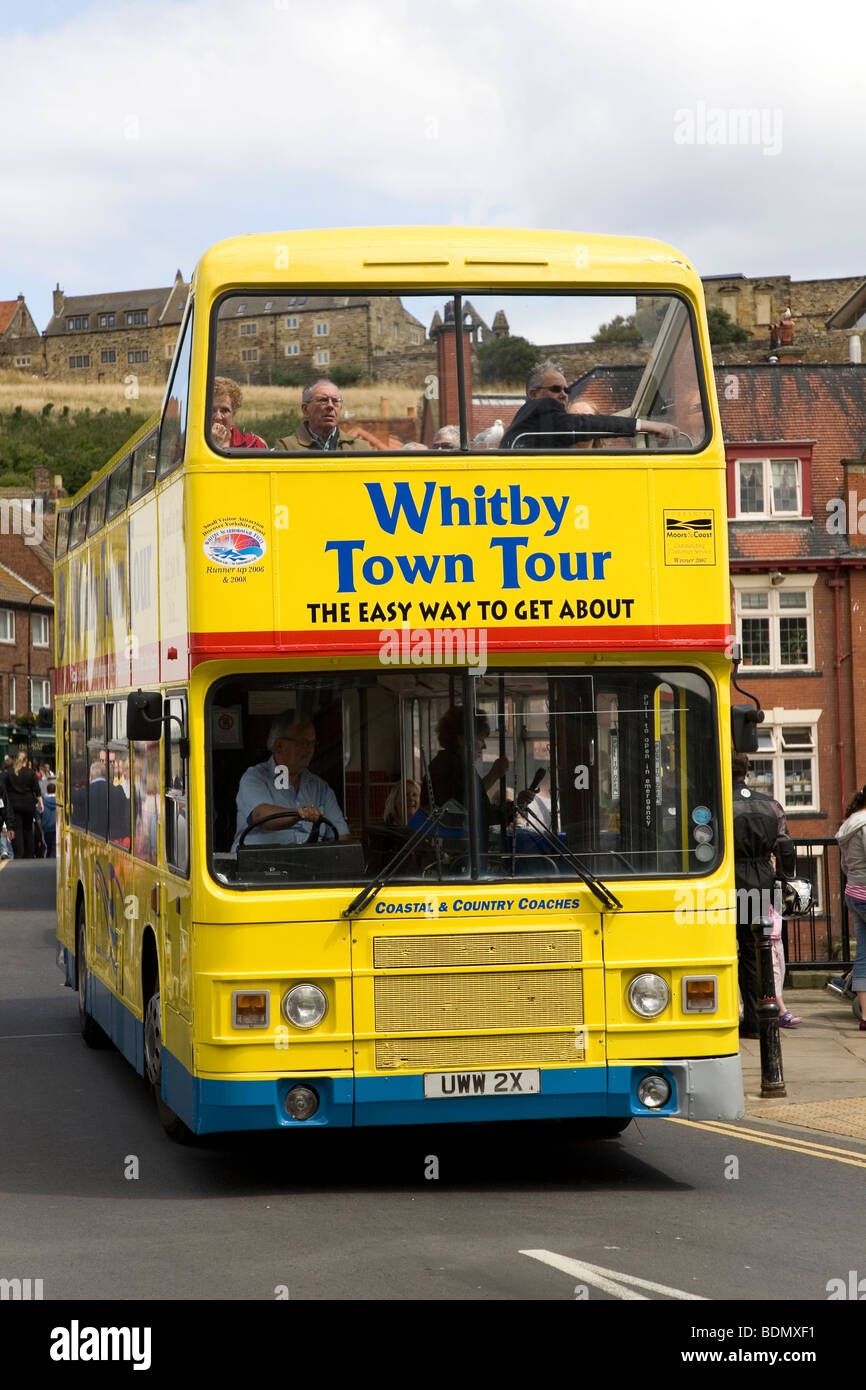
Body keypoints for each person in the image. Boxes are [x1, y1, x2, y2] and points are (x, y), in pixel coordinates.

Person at [731, 751, 796, 1039]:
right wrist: (784, 877)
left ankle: (736, 1014)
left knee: (723, 948)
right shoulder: (772, 805)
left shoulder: (718, 803)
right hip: (762, 880)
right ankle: (761, 1018)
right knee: (757, 950)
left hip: (727, 880)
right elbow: (785, 846)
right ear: (748, 770)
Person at [232, 714, 349, 850]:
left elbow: (342, 836)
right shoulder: (255, 777)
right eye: (304, 743)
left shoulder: (320, 787)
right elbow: (260, 815)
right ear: (279, 746)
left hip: (309, 866)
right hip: (260, 865)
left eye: (313, 743)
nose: (310, 750)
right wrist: (299, 814)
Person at [501, 361, 679, 449]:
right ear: (534, 394)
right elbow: (584, 424)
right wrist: (646, 425)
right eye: (556, 389)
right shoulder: (542, 408)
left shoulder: (526, 419)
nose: (563, 395)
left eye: (566, 390)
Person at [836, 785, 866, 1032]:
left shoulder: (849, 824)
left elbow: (846, 866)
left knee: (863, 954)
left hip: (854, 893)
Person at [274, 381, 361, 451]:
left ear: (340, 409)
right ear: (305, 409)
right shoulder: (286, 448)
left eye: (335, 401)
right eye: (323, 400)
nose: (330, 406)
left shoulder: (359, 448)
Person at [2, 750, 43, 859]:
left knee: (18, 830)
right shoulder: (31, 772)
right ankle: (29, 854)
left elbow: (3, 789)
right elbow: (37, 790)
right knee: (28, 829)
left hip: (14, 805)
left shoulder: (9, 773)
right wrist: (41, 804)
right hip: (28, 805)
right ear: (26, 760)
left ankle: (19, 853)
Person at [210, 376, 268, 450]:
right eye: (211, 410)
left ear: (233, 413)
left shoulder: (252, 444)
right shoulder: (192, 442)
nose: (218, 417)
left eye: (224, 410)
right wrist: (212, 445)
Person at [40, 779, 57, 858]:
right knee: (55, 847)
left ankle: (49, 857)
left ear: (47, 790)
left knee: (49, 847)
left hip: (47, 828)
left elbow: (38, 816)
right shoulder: (60, 802)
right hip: (57, 827)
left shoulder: (43, 802)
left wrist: (41, 827)